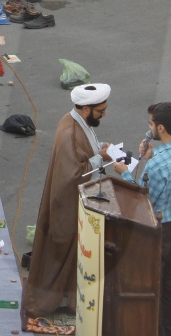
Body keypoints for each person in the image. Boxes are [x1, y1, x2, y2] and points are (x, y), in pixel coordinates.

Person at [23, 83, 114, 320]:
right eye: (101, 110)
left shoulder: (77, 122)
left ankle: (71, 298)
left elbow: (83, 155)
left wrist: (98, 151)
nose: (104, 114)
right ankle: (55, 300)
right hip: (67, 204)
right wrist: (100, 157)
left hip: (74, 200)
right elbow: (74, 174)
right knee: (63, 252)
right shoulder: (70, 134)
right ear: (86, 108)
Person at [114, 101, 171, 336]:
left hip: (156, 230)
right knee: (170, 284)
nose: (149, 128)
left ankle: (150, 334)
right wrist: (151, 156)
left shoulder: (157, 165)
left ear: (160, 128)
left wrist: (125, 174)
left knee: (150, 285)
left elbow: (143, 198)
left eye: (151, 124)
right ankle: (169, 334)